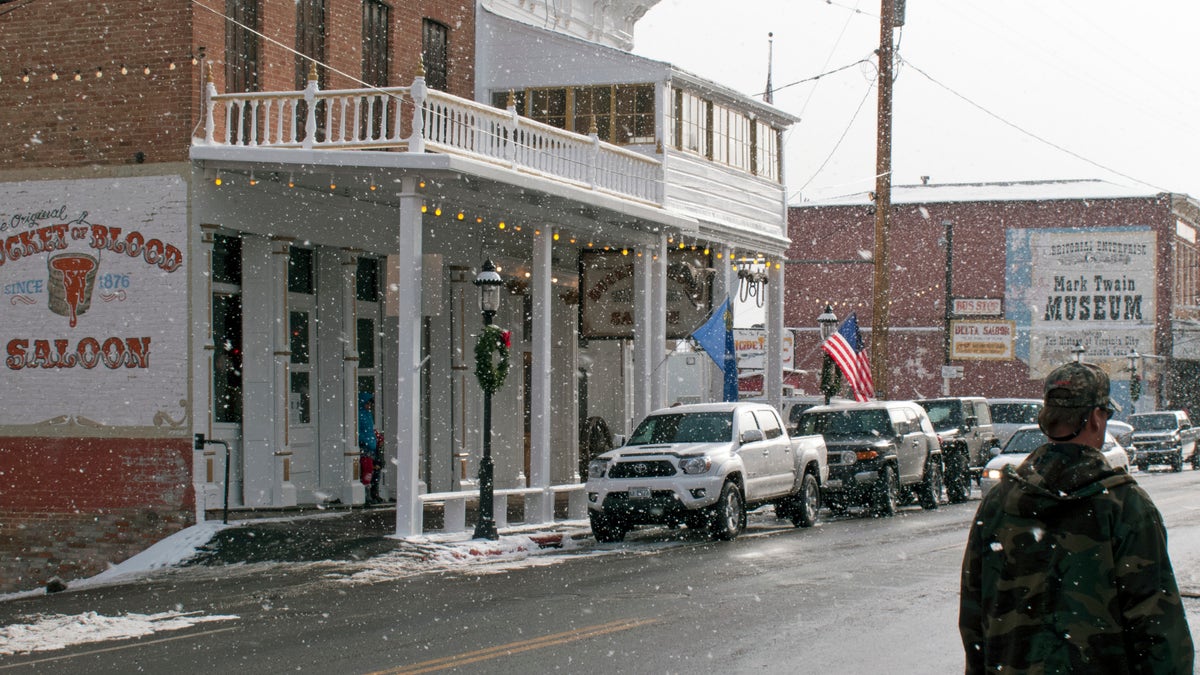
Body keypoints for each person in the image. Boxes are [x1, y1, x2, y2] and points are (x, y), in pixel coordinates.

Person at [959, 361, 1193, 674]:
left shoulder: (999, 503)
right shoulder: (1125, 506)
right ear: (1096, 418)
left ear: (1047, 419)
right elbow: (1159, 631)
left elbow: (975, 620)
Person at [358, 391, 382, 504]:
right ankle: (366, 493)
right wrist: (366, 440)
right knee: (367, 469)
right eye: (367, 403)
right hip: (365, 447)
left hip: (372, 446)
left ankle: (374, 492)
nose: (369, 406)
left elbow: (369, 430)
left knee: (376, 467)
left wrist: (375, 438)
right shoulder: (359, 414)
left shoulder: (368, 414)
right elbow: (359, 432)